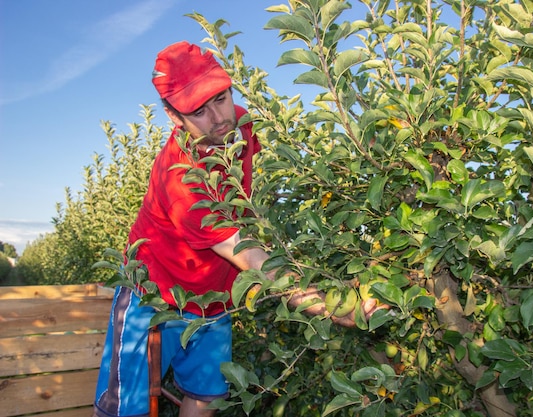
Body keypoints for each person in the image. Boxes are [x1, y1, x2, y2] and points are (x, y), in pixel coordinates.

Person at [93, 41, 384, 417]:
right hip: (153, 292)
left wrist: (367, 149)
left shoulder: (240, 124)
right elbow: (247, 253)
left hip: (213, 297)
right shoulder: (180, 180)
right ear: (172, 116)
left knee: (207, 395)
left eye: (221, 97)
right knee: (123, 410)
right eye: (198, 111)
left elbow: (290, 149)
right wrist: (323, 304)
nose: (218, 118)